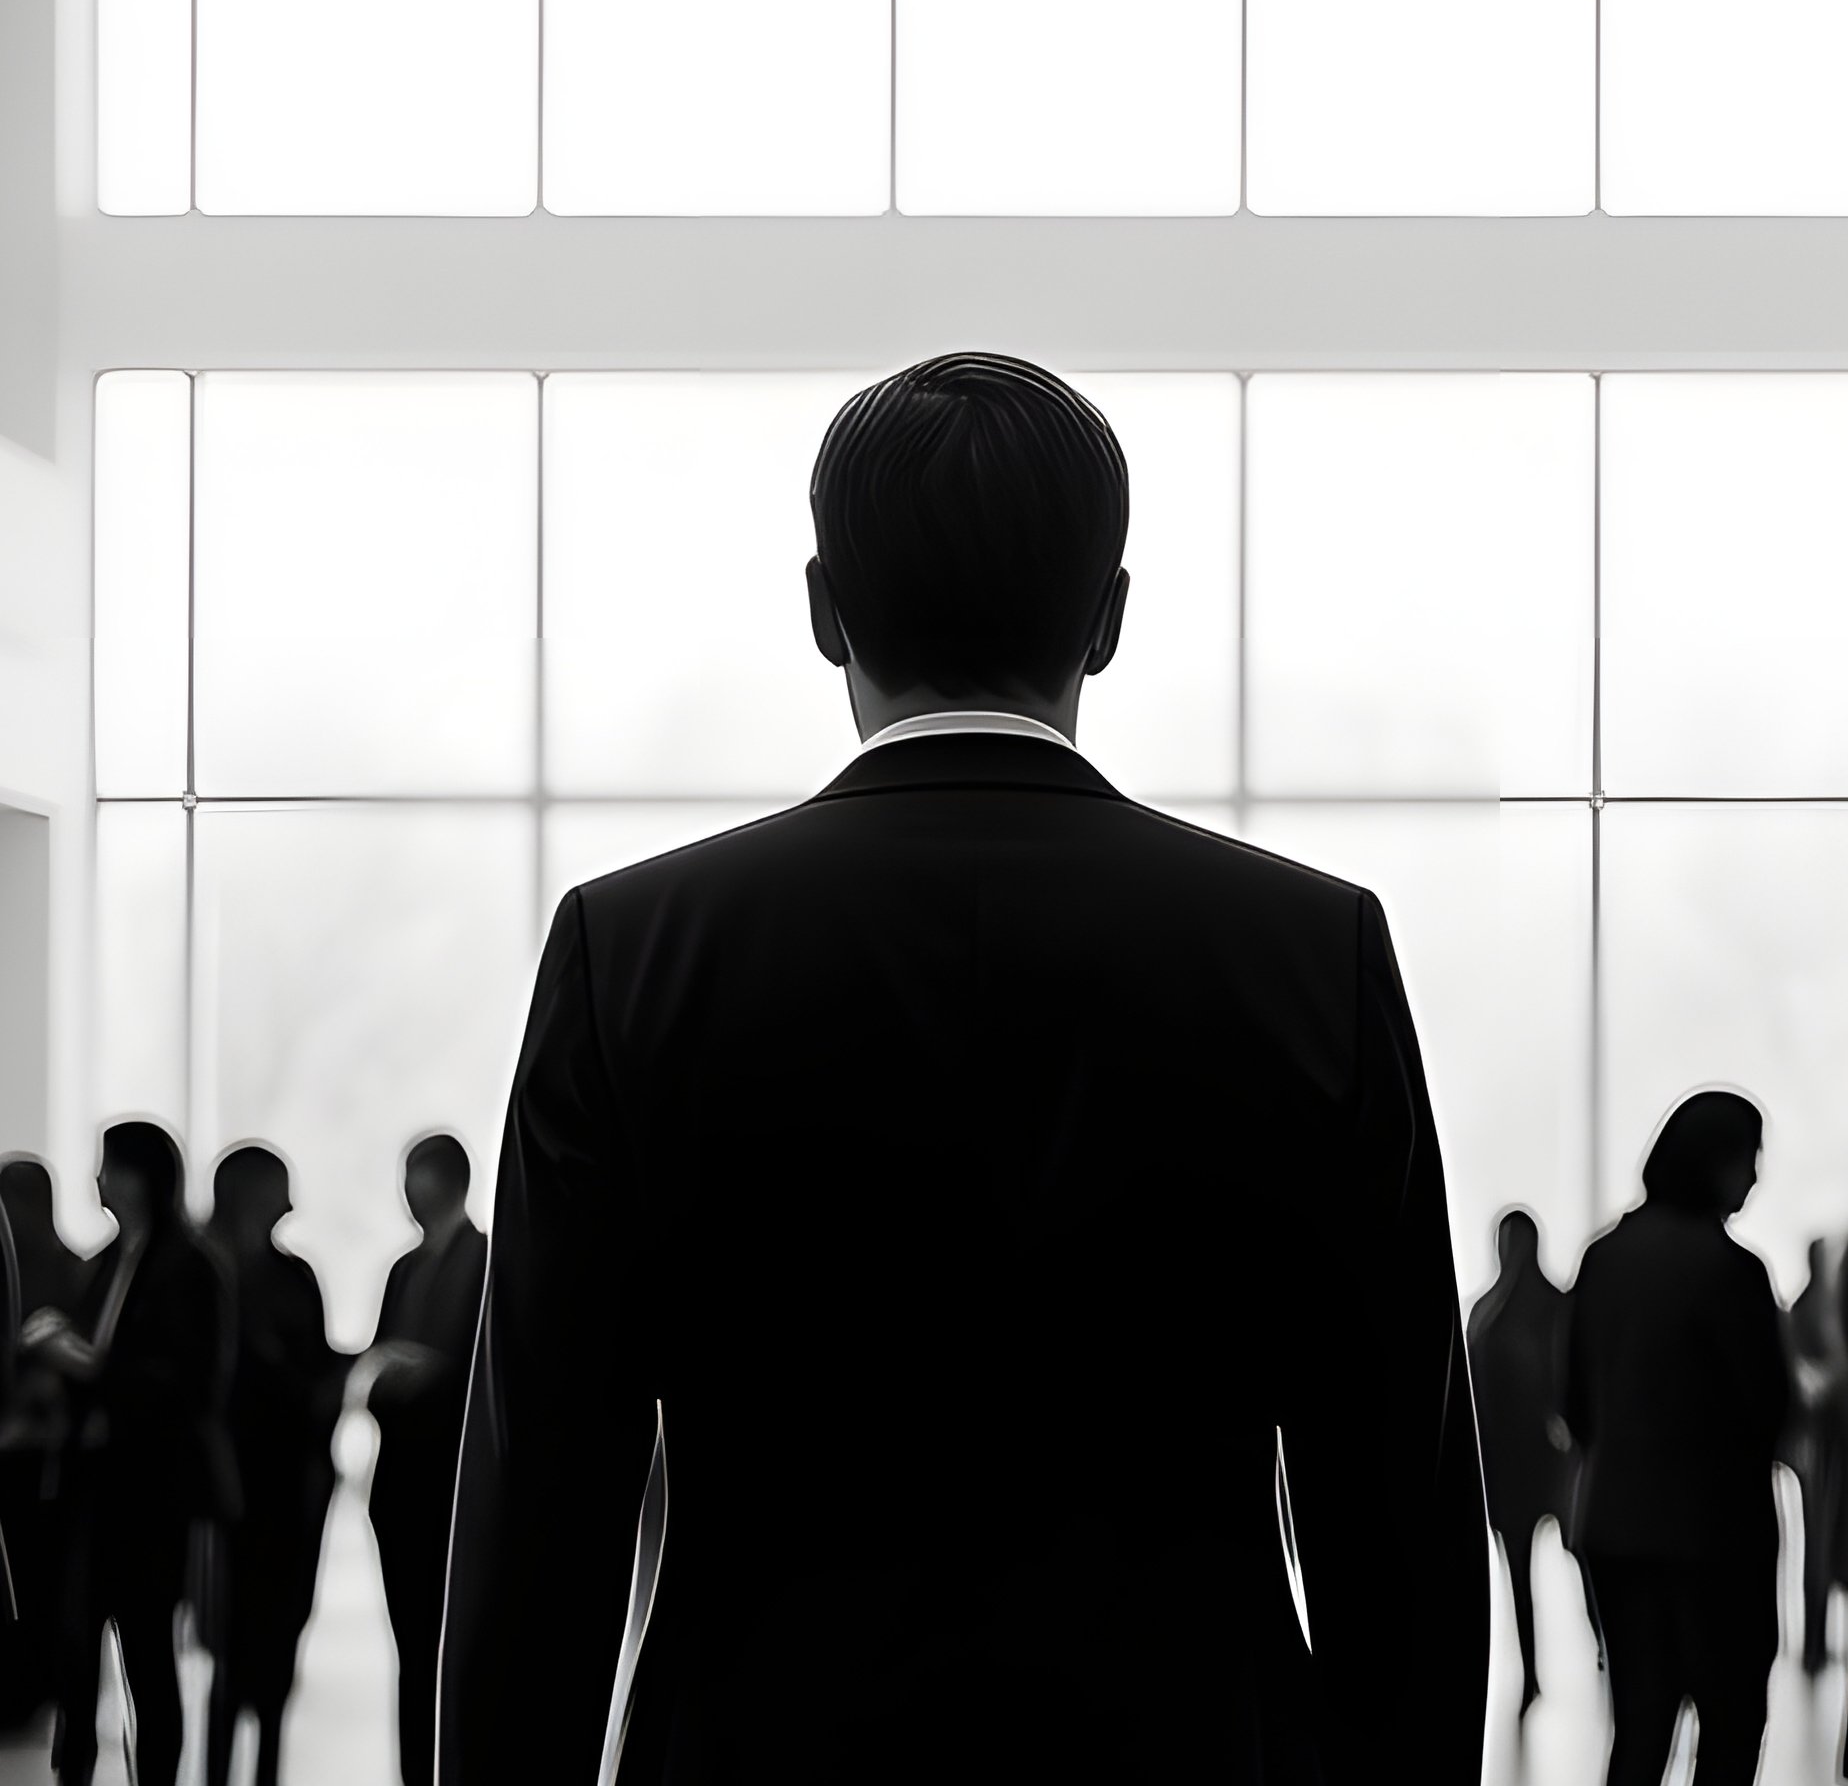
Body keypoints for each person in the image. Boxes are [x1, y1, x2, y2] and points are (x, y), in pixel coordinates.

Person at [438, 351, 1489, 1785]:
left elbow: (543, 1512)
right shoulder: (1311, 952)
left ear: (824, 611)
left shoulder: (632, 951)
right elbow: (1398, 1521)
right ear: (1109, 617)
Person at [1565, 1089, 1789, 1786]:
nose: (1754, 1177)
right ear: (1716, 1163)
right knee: (1728, 1729)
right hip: (1717, 1540)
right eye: (1748, 1158)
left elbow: (1573, 1406)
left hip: (1615, 1527)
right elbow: (1768, 1412)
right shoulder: (1733, 1271)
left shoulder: (1602, 1260)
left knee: (1637, 1729)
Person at [25, 1119, 238, 1786]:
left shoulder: (188, 1266)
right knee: (76, 1649)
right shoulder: (111, 1258)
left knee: (147, 1652)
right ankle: (77, 1771)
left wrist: (85, 1363)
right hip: (95, 1488)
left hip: (150, 1493)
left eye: (108, 1167)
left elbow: (187, 1382)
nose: (96, 1180)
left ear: (143, 1176)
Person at [203, 1145, 347, 1786]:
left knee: (277, 1630)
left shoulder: (290, 1276)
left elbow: (314, 1378)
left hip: (286, 1488)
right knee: (231, 1637)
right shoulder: (217, 1274)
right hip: (232, 1485)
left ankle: (262, 1768)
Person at [366, 1133, 486, 1786]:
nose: (407, 1190)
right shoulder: (404, 1269)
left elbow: (478, 1373)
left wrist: (427, 1374)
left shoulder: (488, 1261)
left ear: (444, 1181)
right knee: (412, 1648)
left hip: (449, 1484)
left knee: (451, 1649)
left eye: (415, 1175)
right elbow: (383, 1360)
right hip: (401, 1485)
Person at [1468, 1206, 1578, 1716]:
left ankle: (1533, 1672)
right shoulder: (1556, 1307)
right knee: (1584, 1563)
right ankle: (1602, 1651)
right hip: (1549, 1463)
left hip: (1509, 1468)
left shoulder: (1485, 1314)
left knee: (1520, 1575)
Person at [0, 1156, 90, 1727]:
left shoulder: (75, 1271)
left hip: (46, 1448)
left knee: (43, 1577)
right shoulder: (71, 1267)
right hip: (21, 1443)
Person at [1783, 1234, 1848, 1677]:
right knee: (1820, 1544)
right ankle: (1813, 1644)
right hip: (1821, 1445)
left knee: (1819, 1545)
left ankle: (1814, 1643)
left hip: (1819, 1444)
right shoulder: (1817, 1309)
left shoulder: (1809, 1308)